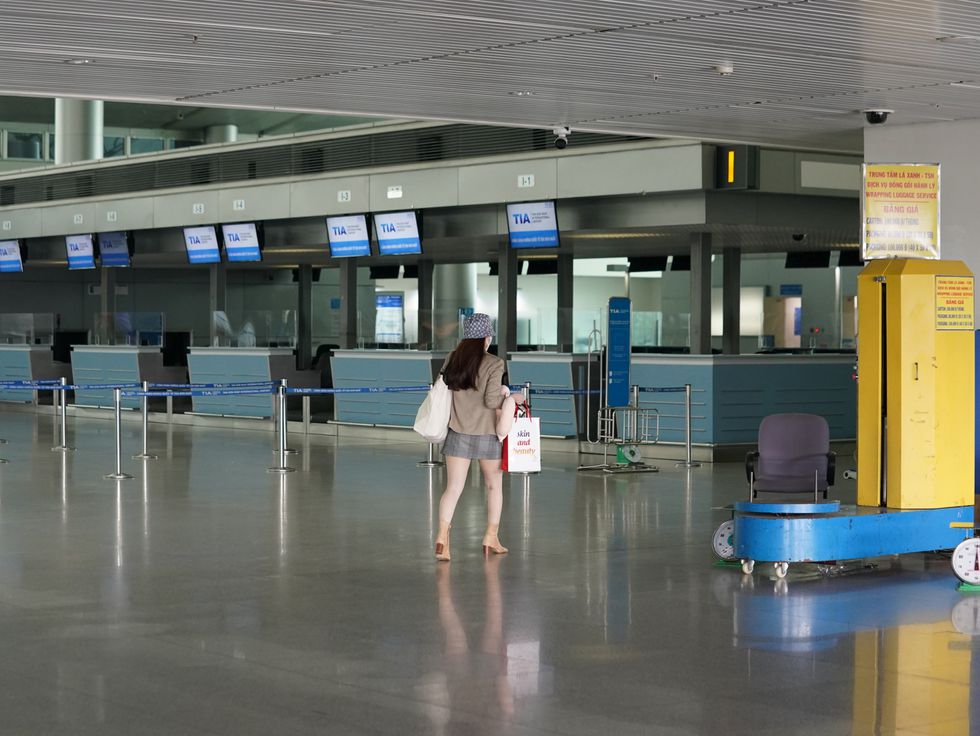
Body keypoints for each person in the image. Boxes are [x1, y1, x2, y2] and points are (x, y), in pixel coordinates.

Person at [434, 313, 519, 562]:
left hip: (458, 430)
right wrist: (509, 395)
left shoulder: (453, 358)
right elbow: (491, 401)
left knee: (453, 488)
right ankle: (491, 538)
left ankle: (442, 537)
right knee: (493, 486)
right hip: (487, 434)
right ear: (487, 337)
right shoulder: (495, 363)